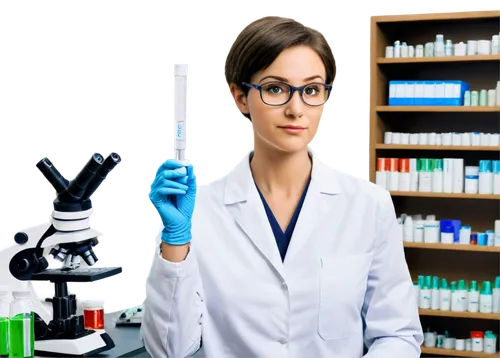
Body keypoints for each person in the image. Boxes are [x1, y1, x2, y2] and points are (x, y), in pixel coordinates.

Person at [142, 14, 423, 358]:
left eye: (311, 90)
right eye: (275, 88)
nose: (296, 109)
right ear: (240, 97)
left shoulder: (368, 204)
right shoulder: (199, 211)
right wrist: (175, 241)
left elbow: (397, 335)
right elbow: (169, 350)